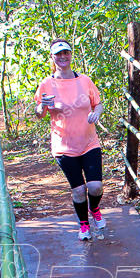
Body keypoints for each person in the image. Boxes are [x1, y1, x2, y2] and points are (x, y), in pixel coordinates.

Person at [34, 39, 106, 241]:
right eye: (58, 54)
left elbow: (98, 104)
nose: (63, 57)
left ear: (71, 55)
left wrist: (96, 113)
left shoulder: (84, 80)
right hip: (64, 146)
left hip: (89, 141)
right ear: (53, 58)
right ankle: (84, 225)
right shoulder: (47, 84)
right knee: (78, 190)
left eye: (66, 53)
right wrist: (42, 107)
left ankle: (95, 208)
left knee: (95, 187)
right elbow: (39, 112)